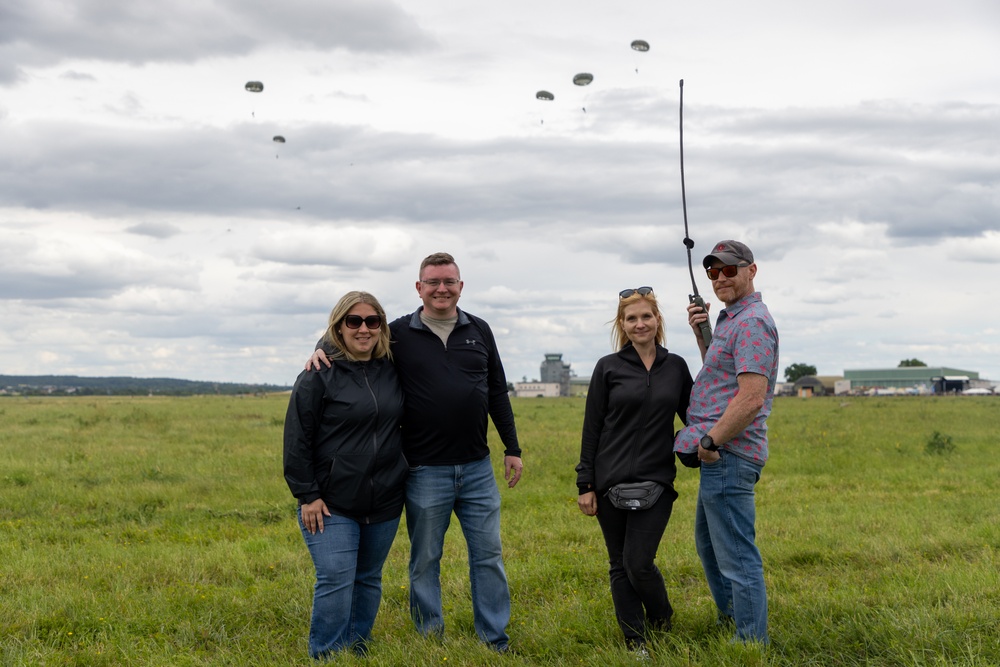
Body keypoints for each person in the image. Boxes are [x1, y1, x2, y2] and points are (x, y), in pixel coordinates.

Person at [307, 252, 523, 652]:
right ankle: (430, 637)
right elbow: (356, 332)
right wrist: (320, 347)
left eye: (449, 281)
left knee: (489, 555)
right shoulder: (398, 333)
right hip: (424, 469)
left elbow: (497, 390)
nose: (442, 289)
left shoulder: (480, 329)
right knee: (425, 559)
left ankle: (495, 639)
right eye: (433, 282)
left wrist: (512, 447)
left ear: (461, 286)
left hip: (478, 466)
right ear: (419, 287)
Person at [283, 291, 408, 659]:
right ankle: (326, 655)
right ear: (338, 326)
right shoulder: (317, 374)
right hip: (330, 502)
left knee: (368, 579)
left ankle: (357, 649)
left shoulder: (394, 366)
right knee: (336, 578)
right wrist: (307, 494)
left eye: (372, 321)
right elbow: (296, 440)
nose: (364, 328)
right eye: (353, 321)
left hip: (385, 498)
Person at [576, 286, 693, 656]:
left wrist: (697, 450)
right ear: (622, 325)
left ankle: (661, 619)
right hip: (609, 482)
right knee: (618, 564)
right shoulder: (607, 368)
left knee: (638, 563)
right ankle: (635, 641)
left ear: (658, 320)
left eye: (646, 316)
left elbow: (693, 418)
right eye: (631, 318)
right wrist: (586, 483)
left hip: (656, 481)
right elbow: (591, 428)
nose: (639, 324)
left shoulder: (675, 367)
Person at [673, 240, 778, 644]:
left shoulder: (751, 321)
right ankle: (734, 621)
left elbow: (751, 396)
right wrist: (703, 335)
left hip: (728, 453)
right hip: (722, 452)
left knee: (735, 554)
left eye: (729, 270)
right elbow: (720, 376)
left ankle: (750, 642)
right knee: (712, 547)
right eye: (713, 272)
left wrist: (710, 440)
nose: (720, 279)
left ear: (752, 271)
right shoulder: (732, 320)